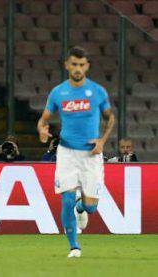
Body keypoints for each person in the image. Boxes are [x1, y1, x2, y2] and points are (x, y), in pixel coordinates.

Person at [37, 46, 115, 258]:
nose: (78, 68)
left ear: (87, 66)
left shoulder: (97, 91)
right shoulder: (58, 92)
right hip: (67, 153)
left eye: (81, 65)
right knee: (67, 200)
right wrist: (42, 129)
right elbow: (44, 119)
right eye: (74, 64)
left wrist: (102, 140)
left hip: (91, 155)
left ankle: (83, 208)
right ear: (67, 65)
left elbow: (110, 118)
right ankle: (74, 247)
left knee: (91, 208)